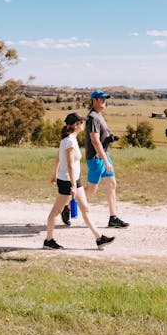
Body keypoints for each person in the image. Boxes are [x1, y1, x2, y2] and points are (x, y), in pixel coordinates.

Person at [43, 112, 115, 250]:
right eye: (82, 122)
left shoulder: (70, 139)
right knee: (55, 211)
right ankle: (48, 240)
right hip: (67, 181)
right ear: (76, 125)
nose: (84, 124)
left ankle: (99, 238)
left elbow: (58, 158)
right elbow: (69, 164)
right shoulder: (69, 141)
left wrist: (54, 174)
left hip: (74, 180)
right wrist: (72, 185)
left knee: (85, 208)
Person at [84, 90, 129, 228]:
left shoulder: (99, 116)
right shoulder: (92, 117)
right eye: (102, 99)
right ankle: (68, 207)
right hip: (96, 159)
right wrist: (104, 160)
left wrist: (109, 139)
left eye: (105, 99)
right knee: (91, 190)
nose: (104, 101)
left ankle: (113, 218)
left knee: (112, 184)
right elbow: (95, 141)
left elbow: (101, 139)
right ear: (94, 100)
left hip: (104, 156)